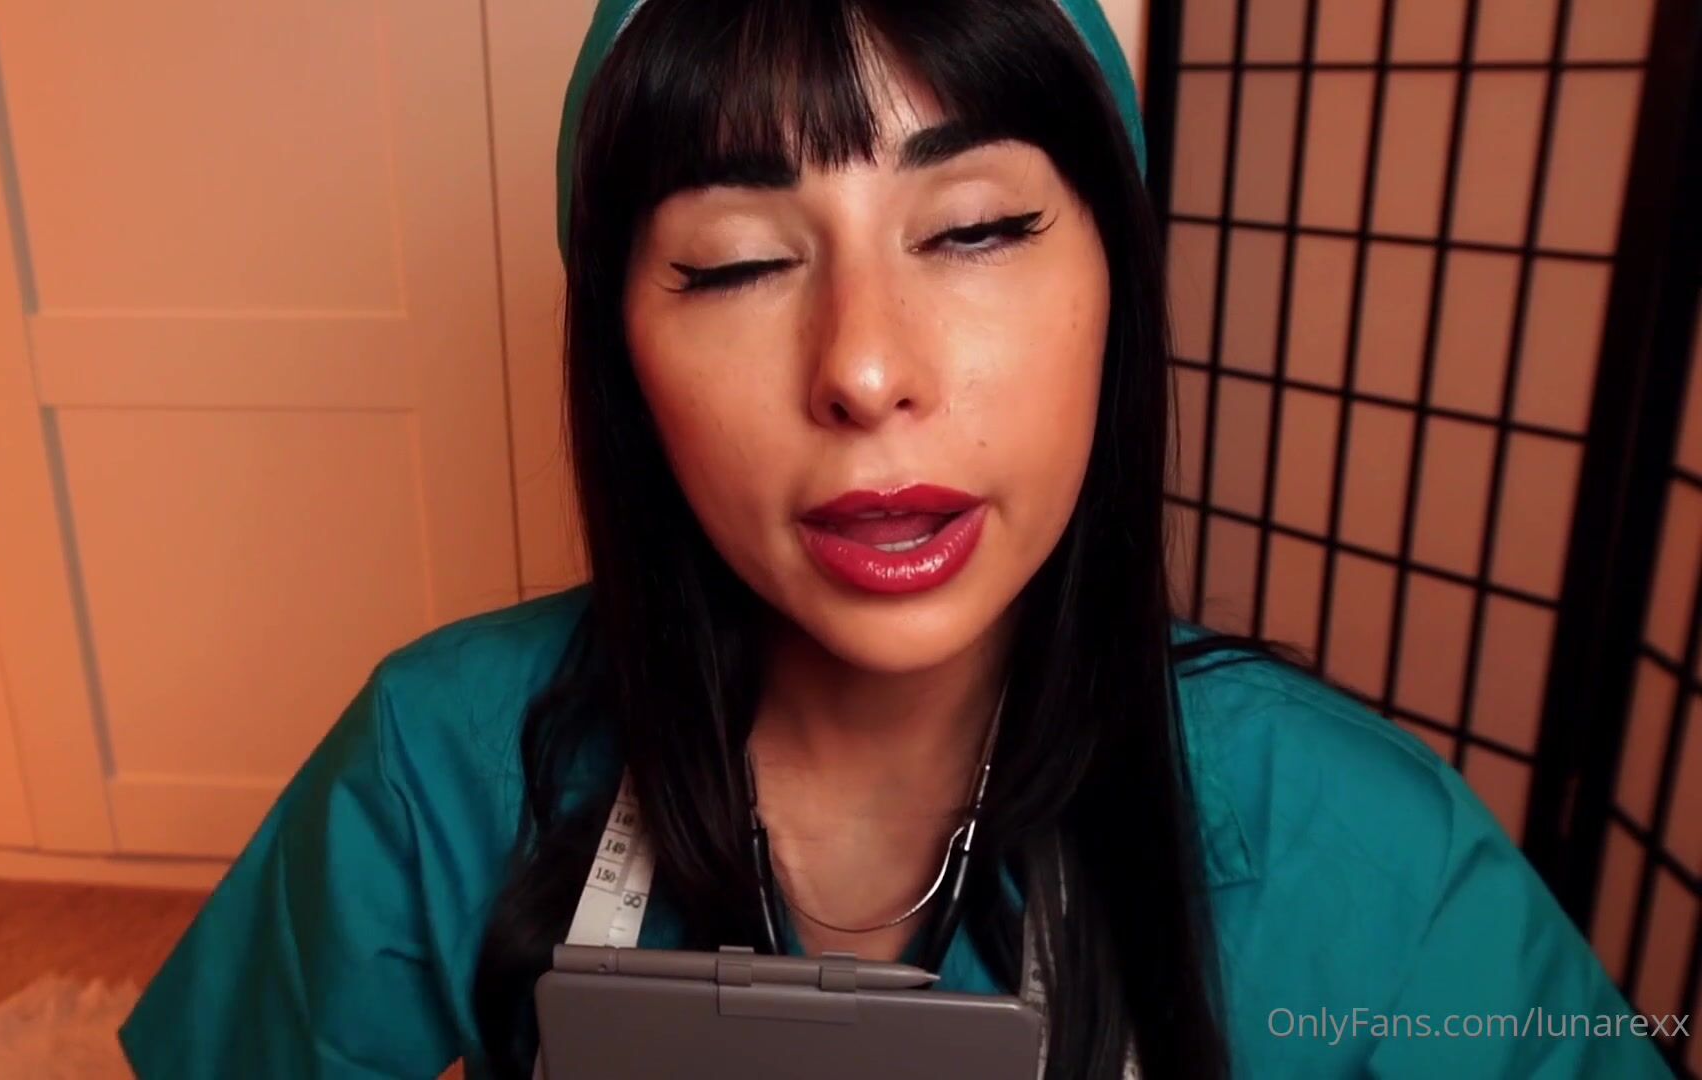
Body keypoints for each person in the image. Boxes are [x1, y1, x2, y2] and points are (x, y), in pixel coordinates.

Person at [118, 1, 1674, 1077]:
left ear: (1117, 286)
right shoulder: (435, 764)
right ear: (622, 351)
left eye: (976, 229)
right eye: (738, 262)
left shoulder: (1368, 856)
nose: (865, 369)